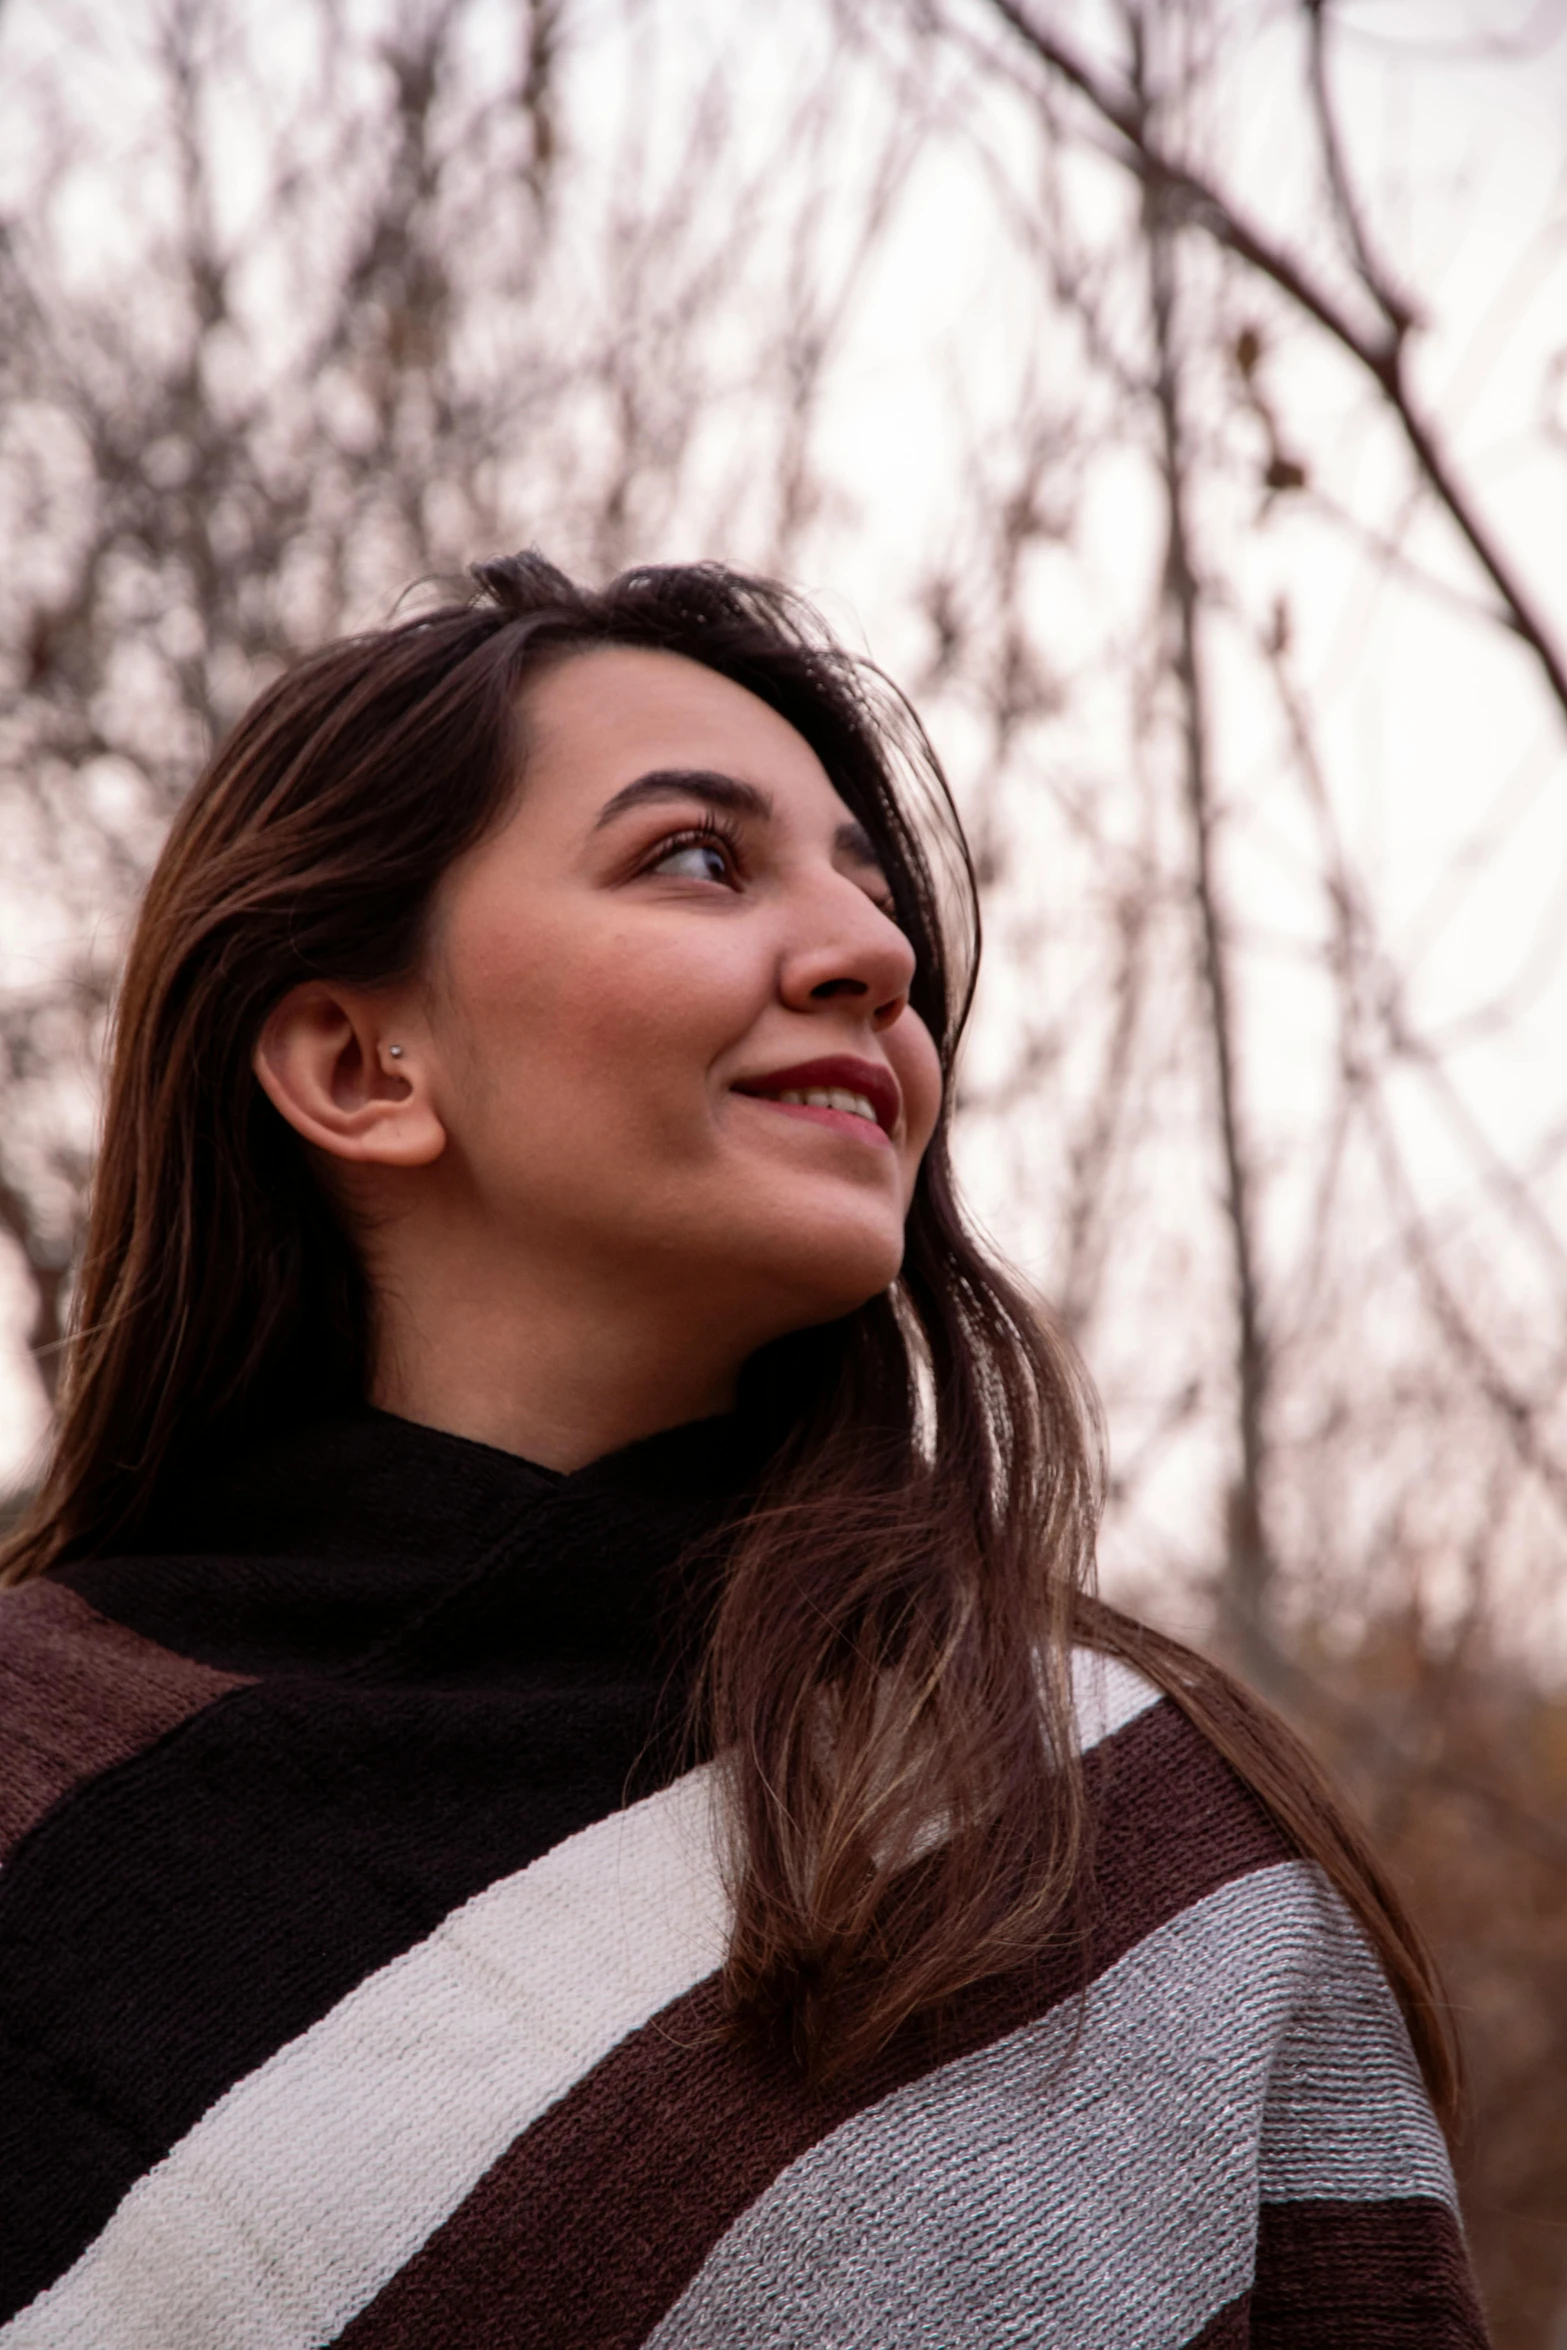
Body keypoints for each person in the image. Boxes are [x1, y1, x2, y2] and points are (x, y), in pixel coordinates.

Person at [0, 554, 1487, 2349]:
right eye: (695, 858)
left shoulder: (1122, 1829)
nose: (876, 958)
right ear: (360, 1062)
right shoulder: (32, 1805)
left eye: (875, 897)